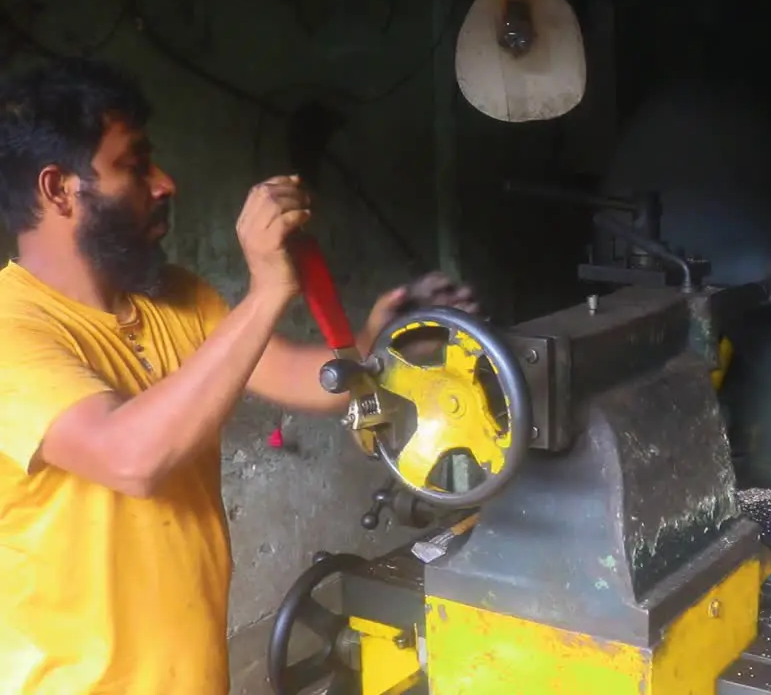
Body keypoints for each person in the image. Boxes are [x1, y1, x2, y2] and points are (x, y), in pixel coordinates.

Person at [0, 57, 477, 694]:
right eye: (135, 166)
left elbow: (297, 376)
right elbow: (131, 457)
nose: (164, 183)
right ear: (58, 189)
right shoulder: (13, 330)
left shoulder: (176, 296)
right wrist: (267, 290)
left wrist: (377, 343)